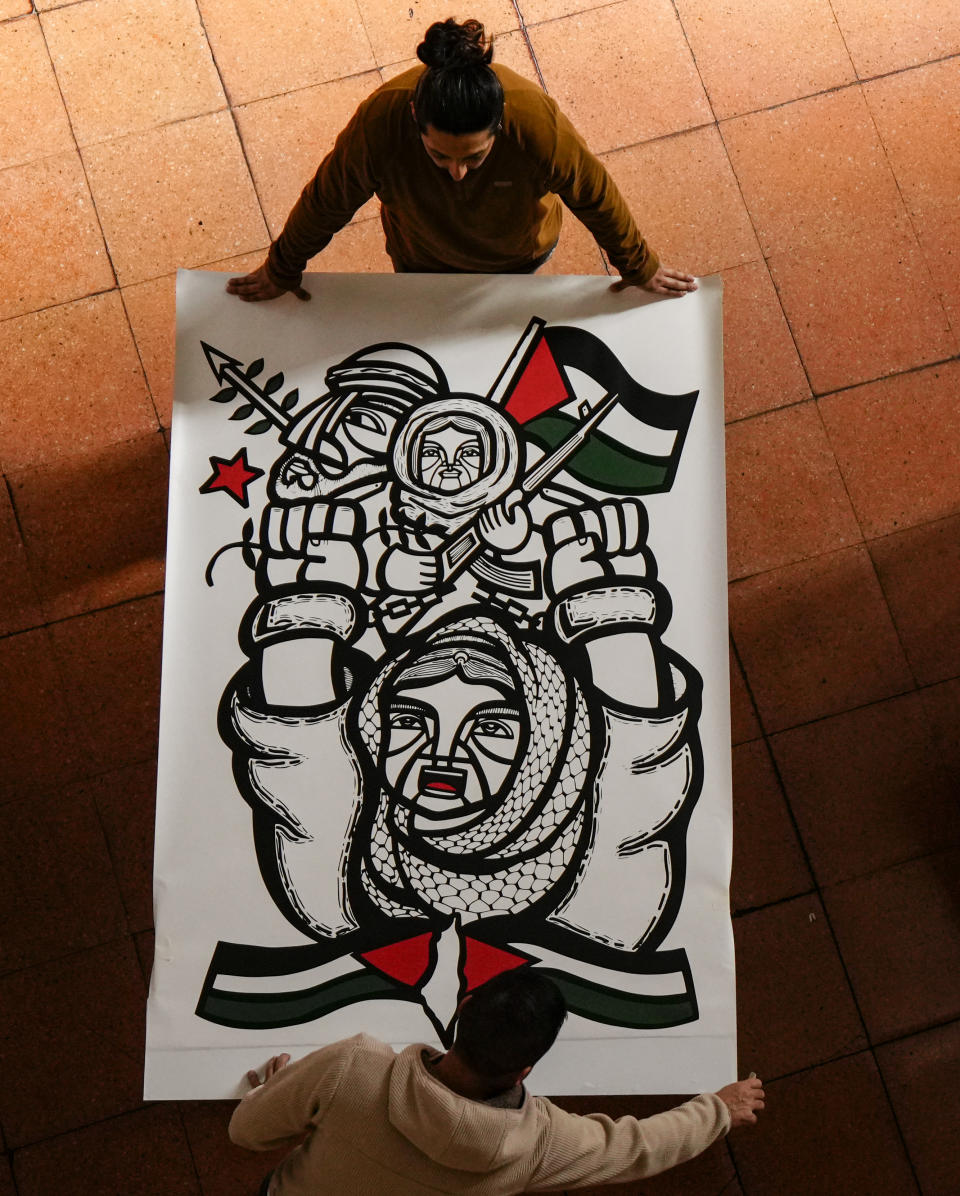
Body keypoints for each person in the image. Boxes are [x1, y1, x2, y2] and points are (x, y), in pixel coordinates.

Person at [226, 18, 697, 305]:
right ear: (415, 115)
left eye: (474, 158)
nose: (456, 173)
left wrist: (640, 267)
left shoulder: (536, 124)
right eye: (438, 155)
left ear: (501, 123)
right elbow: (328, 199)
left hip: (518, 258)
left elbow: (594, 195)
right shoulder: (380, 121)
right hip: (420, 259)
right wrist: (282, 267)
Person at [230, 969, 764, 1195]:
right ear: (526, 1068)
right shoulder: (539, 1144)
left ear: (462, 1009)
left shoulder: (353, 1067)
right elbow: (638, 1147)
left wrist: (277, 1091)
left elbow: (246, 1135)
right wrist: (719, 1109)